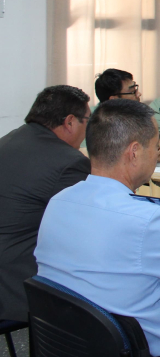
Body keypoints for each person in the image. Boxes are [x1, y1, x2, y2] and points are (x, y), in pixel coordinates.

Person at [34, 100, 160, 357]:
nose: (157, 153)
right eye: (155, 146)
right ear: (134, 152)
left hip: (77, 345)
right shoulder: (149, 219)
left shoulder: (59, 201)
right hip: (153, 352)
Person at [0, 86, 91, 322]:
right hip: (19, 283)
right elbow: (86, 225)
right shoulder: (68, 163)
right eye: (86, 122)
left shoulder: (9, 140)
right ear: (70, 122)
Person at [94, 69, 160, 160]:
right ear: (114, 99)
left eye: (136, 89)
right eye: (132, 92)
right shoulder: (97, 123)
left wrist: (157, 154)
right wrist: (148, 158)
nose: (138, 94)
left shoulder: (138, 116)